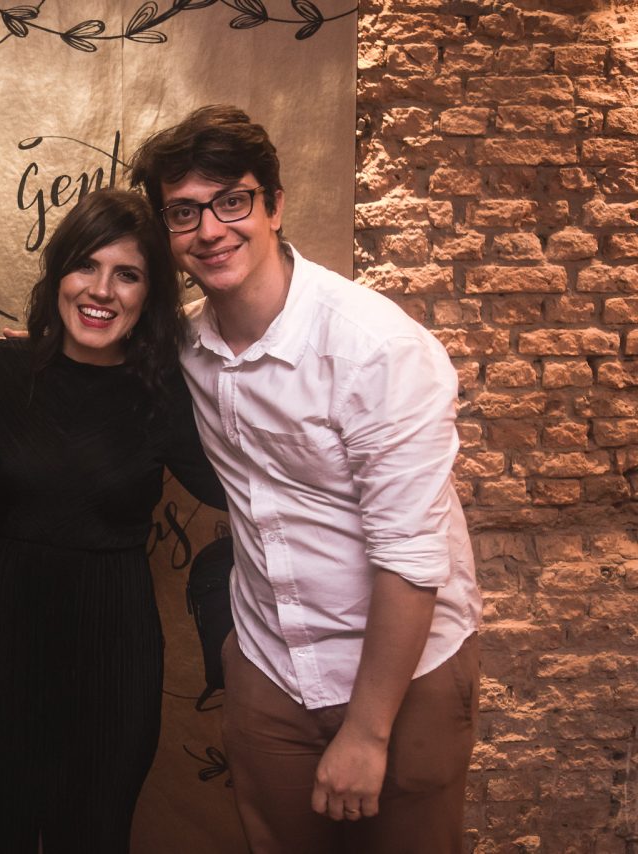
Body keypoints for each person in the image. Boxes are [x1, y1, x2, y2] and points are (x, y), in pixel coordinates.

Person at [127, 105, 482, 853]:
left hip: (402, 675)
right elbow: (101, 343)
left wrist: (368, 732)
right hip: (270, 667)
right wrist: (32, 346)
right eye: (184, 212)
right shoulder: (186, 345)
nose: (210, 230)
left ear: (275, 205)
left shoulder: (376, 350)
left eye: (232, 201)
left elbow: (411, 558)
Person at [0, 189, 227, 854]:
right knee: (9, 833)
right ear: (59, 274)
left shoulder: (162, 393)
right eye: (86, 265)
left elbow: (241, 489)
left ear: (149, 295)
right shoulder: (2, 372)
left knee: (97, 836)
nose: (101, 290)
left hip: (115, 652)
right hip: (7, 642)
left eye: (127, 274)